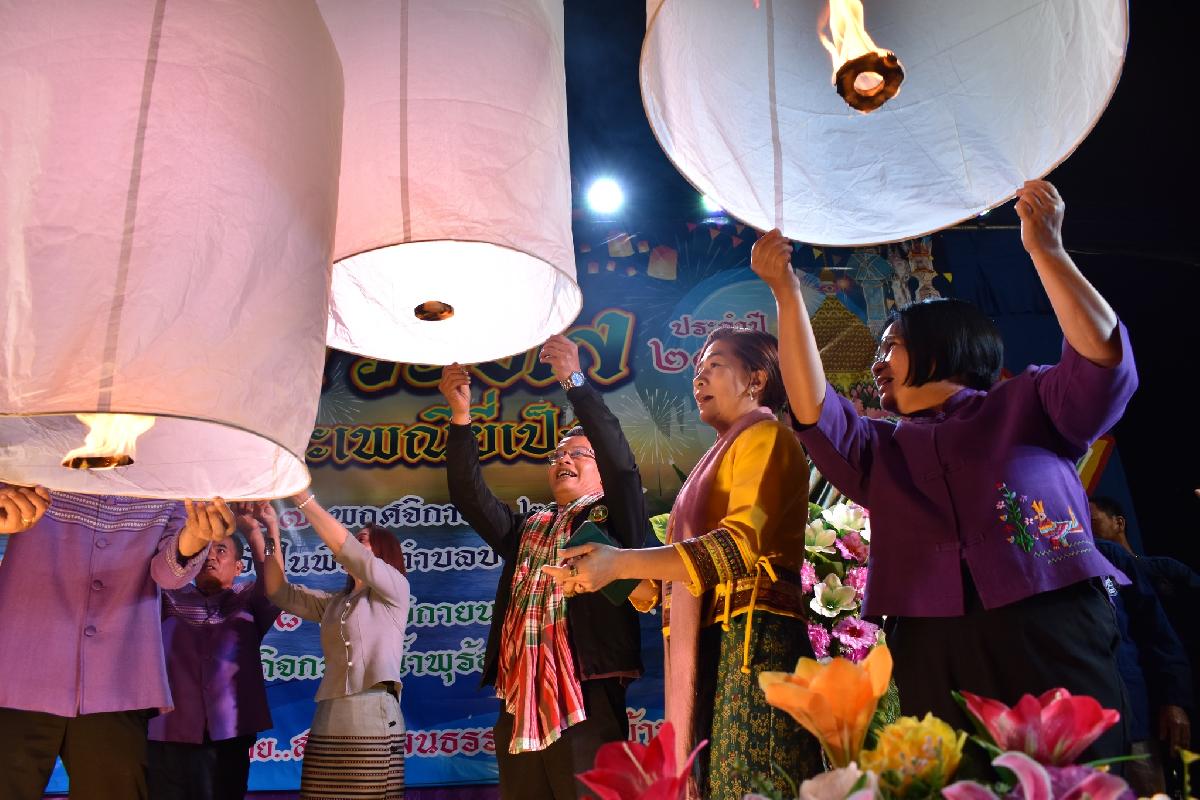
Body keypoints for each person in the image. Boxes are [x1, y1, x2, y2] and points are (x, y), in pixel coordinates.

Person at [752, 179, 1137, 762]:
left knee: (1077, 775)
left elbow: (1101, 358)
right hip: (929, 638)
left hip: (1049, 613)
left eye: (890, 346)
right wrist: (785, 292)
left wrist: (1047, 251)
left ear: (945, 342)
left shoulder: (1031, 402)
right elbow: (812, 409)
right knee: (954, 785)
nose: (877, 364)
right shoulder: (879, 447)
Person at [545, 327, 821, 800]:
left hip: (752, 647)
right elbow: (661, 589)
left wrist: (620, 564)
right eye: (697, 370)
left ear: (756, 379)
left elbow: (738, 547)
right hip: (710, 648)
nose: (699, 378)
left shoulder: (767, 437)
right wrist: (598, 573)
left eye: (714, 365)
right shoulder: (714, 459)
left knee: (752, 781)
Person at [439, 334, 647, 800]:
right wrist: (460, 418)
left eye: (578, 454)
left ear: (599, 470)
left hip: (587, 695)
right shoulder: (527, 529)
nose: (563, 460)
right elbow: (469, 497)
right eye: (556, 456)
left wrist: (574, 382)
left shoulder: (615, 518)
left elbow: (622, 467)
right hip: (520, 694)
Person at [0, 484, 234, 800]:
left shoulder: (172, 482)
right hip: (17, 672)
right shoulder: (32, 464)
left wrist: (197, 535)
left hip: (116, 680)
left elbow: (168, 575)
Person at [262, 496, 410, 800]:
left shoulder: (395, 588)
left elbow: (350, 552)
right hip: (329, 713)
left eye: (362, 540)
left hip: (372, 714)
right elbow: (278, 592)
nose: (354, 543)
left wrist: (303, 499)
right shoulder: (335, 603)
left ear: (383, 552)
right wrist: (269, 530)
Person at [147, 505, 281, 800]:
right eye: (205, 550)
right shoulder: (167, 597)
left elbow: (275, 586)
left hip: (229, 732)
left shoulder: (249, 600)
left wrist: (257, 531)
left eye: (221, 551)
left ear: (238, 567)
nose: (210, 556)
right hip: (169, 732)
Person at [1090, 497, 1194, 793]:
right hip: (1101, 725)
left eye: (1092, 519)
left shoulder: (1147, 566)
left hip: (1145, 708)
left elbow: (1158, 633)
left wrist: (1174, 697)